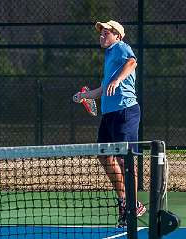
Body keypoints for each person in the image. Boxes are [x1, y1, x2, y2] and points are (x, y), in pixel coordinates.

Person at [73, 20, 146, 226]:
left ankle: (132, 205)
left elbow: (132, 63)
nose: (103, 35)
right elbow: (104, 89)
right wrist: (85, 96)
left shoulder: (121, 47)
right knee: (104, 156)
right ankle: (125, 201)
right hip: (109, 114)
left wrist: (117, 80)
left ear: (118, 36)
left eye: (107, 32)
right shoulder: (109, 56)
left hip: (125, 111)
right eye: (102, 33)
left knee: (126, 160)